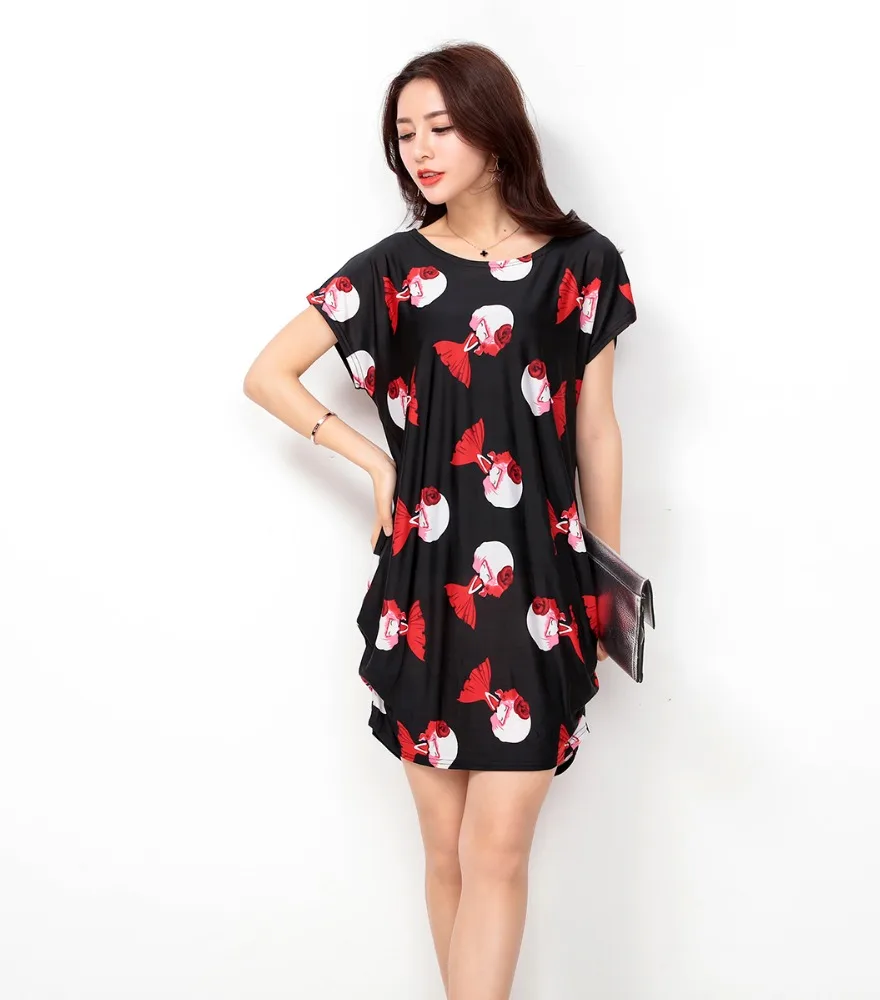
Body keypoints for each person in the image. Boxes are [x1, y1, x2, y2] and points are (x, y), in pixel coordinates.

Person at [243, 41, 637, 1000]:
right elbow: (267, 374)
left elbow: (597, 430)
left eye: (441, 127)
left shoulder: (582, 263)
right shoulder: (391, 270)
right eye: (405, 134)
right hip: (424, 582)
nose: (419, 150)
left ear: (494, 131)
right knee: (448, 849)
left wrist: (608, 578)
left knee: (498, 849)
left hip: (539, 581)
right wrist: (372, 458)